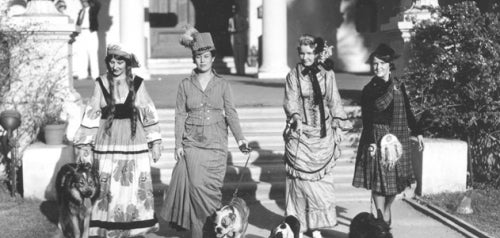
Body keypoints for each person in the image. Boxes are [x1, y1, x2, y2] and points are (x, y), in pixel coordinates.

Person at [160, 27, 249, 238]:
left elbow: (232, 114)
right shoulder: (185, 85)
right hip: (192, 146)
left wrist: (241, 139)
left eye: (206, 56)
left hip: (216, 147)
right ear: (194, 58)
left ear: (213, 57)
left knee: (210, 193)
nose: (202, 61)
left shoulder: (223, 84)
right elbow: (180, 115)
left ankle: (213, 232)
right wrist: (178, 145)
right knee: (196, 191)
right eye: (198, 57)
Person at [73, 43, 162, 237]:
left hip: (133, 140)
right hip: (107, 140)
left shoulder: (137, 83)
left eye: (119, 61)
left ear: (127, 63)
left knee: (132, 185)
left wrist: (155, 141)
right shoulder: (101, 83)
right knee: (107, 186)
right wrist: (84, 146)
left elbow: (147, 111)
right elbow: (91, 113)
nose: (115, 66)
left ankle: (133, 228)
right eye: (111, 61)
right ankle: (107, 227)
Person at [283, 34, 352, 237]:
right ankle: (300, 225)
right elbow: (291, 100)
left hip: (323, 137)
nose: (305, 57)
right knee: (299, 185)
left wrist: (338, 126)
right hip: (301, 135)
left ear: (316, 53)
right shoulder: (294, 75)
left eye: (309, 53)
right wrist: (295, 117)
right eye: (302, 53)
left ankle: (316, 225)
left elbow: (334, 100)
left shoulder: (327, 74)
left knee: (320, 185)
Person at [352, 43, 424, 226]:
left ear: (389, 64)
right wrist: (371, 142)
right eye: (375, 64)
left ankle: (385, 210)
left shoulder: (399, 86)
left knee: (394, 186)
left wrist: (418, 132)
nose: (378, 67)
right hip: (377, 138)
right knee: (379, 183)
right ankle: (380, 220)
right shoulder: (369, 89)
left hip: (398, 138)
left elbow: (407, 110)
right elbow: (367, 119)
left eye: (382, 64)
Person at [73, 0, 100, 80]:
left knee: (92, 53)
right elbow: (78, 22)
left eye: (85, 1)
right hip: (82, 33)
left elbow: (98, 4)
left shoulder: (93, 9)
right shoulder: (81, 11)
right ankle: (82, 74)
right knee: (82, 53)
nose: (83, 3)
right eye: (82, 1)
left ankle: (95, 75)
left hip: (90, 32)